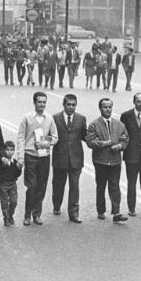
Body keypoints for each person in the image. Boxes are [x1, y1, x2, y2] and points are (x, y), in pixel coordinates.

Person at [16, 91, 59, 226]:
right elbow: (21, 138)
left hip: (44, 157)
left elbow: (55, 137)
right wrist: (20, 157)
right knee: (31, 186)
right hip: (31, 156)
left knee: (41, 186)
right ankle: (27, 214)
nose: (42, 104)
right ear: (34, 103)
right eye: (39, 102)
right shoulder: (27, 118)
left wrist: (46, 143)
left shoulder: (49, 118)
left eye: (44, 102)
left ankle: (37, 214)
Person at [86, 98, 129, 222]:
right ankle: (101, 210)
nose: (108, 109)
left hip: (115, 161)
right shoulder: (94, 124)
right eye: (105, 107)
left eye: (110, 107)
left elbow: (125, 138)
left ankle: (116, 213)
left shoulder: (119, 124)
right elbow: (90, 141)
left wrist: (120, 146)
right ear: (100, 108)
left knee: (115, 186)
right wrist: (104, 143)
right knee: (101, 186)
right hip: (101, 161)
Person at [51, 94, 87, 223]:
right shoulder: (55, 118)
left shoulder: (81, 119)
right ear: (64, 105)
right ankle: (56, 205)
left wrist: (96, 141)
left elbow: (85, 135)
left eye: (73, 105)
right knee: (58, 184)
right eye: (69, 104)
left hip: (76, 158)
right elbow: (51, 136)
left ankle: (74, 213)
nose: (71, 107)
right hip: (60, 157)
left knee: (74, 186)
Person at [0, 141, 22, 226]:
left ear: (14, 151)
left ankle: (11, 214)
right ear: (4, 150)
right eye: (7, 150)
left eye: (11, 150)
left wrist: (19, 168)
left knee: (14, 201)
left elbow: (17, 174)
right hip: (3, 184)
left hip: (12, 184)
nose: (9, 152)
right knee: (4, 203)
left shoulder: (15, 162)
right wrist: (4, 165)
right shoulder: (1, 161)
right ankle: (6, 218)